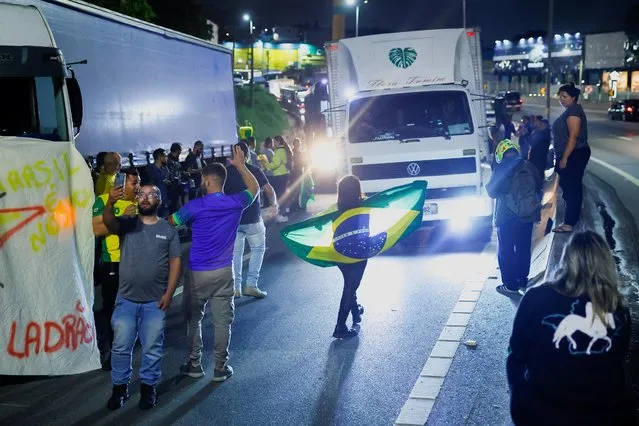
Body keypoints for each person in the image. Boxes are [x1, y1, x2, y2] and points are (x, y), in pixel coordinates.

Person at [507, 231, 634, 425]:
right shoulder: (617, 309)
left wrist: (520, 401)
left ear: (566, 260)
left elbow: (516, 352)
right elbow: (617, 357)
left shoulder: (536, 298)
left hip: (543, 412)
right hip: (604, 414)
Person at [171, 145, 259, 382]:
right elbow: (254, 188)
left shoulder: (195, 206)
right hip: (224, 271)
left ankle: (194, 364)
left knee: (194, 319)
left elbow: (172, 222)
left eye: (202, 179)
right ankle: (220, 367)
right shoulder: (235, 202)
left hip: (198, 272)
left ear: (208, 182)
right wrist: (241, 167)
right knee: (222, 322)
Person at [102, 184, 181, 411]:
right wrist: (110, 203)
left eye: (151, 195)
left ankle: (148, 388)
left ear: (159, 200)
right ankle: (120, 388)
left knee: (152, 348)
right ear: (137, 199)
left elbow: (176, 261)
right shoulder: (128, 224)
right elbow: (109, 222)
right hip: (126, 299)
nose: (145, 198)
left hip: (155, 302)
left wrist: (169, 292)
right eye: (141, 194)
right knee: (120, 347)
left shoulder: (168, 230)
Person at [92, 168, 140, 370]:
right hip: (113, 263)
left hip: (137, 264)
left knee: (136, 308)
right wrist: (121, 216)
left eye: (139, 182)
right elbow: (96, 229)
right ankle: (110, 350)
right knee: (112, 310)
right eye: (133, 183)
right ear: (120, 184)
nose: (137, 187)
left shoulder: (141, 201)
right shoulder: (103, 201)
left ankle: (128, 344)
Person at [486, 139, 541, 295]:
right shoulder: (528, 165)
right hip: (528, 214)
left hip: (507, 216)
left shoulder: (502, 168)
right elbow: (538, 185)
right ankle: (522, 281)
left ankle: (510, 284)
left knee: (506, 250)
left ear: (500, 154)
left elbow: (492, 192)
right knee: (523, 248)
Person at [225, 142, 278, 299]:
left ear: (231, 156)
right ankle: (251, 285)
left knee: (235, 254)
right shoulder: (254, 170)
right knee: (258, 249)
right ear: (247, 155)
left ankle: (235, 288)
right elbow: (269, 190)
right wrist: (274, 205)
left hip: (233, 221)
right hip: (253, 220)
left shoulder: (225, 173)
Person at [552, 83, 591, 234]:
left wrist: (564, 158)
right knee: (569, 188)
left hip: (574, 154)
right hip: (574, 153)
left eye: (565, 97)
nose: (562, 100)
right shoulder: (571, 110)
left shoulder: (573, 112)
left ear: (573, 97)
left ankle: (569, 223)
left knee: (572, 188)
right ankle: (571, 218)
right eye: (560, 96)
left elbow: (573, 137)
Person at [331, 175, 367, 339]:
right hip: (358, 253)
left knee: (349, 283)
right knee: (350, 287)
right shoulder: (363, 208)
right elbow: (365, 232)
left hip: (339, 252)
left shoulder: (334, 209)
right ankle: (340, 326)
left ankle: (356, 312)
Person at [262, 135, 292, 223]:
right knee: (281, 194)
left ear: (279, 142)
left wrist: (266, 165)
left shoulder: (279, 151)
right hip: (282, 175)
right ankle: (282, 212)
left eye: (275, 142)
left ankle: (280, 215)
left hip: (280, 176)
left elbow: (275, 163)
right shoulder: (281, 150)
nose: (274, 144)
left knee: (279, 195)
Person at [528, 118, 552, 190]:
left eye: (541, 124)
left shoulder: (542, 135)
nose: (539, 126)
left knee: (537, 176)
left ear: (544, 125)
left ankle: (538, 191)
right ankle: (539, 190)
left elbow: (533, 143)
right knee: (539, 175)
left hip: (537, 159)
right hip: (540, 158)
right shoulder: (546, 134)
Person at [147, 148, 171, 217]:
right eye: (165, 156)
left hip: (165, 200)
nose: (167, 158)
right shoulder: (151, 168)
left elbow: (167, 179)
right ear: (160, 157)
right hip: (155, 202)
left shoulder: (165, 168)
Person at [167, 142, 186, 213]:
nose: (180, 153)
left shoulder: (176, 159)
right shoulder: (169, 160)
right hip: (172, 187)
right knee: (173, 206)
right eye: (179, 151)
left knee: (178, 204)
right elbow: (170, 175)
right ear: (176, 150)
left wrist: (183, 173)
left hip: (178, 186)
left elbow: (179, 170)